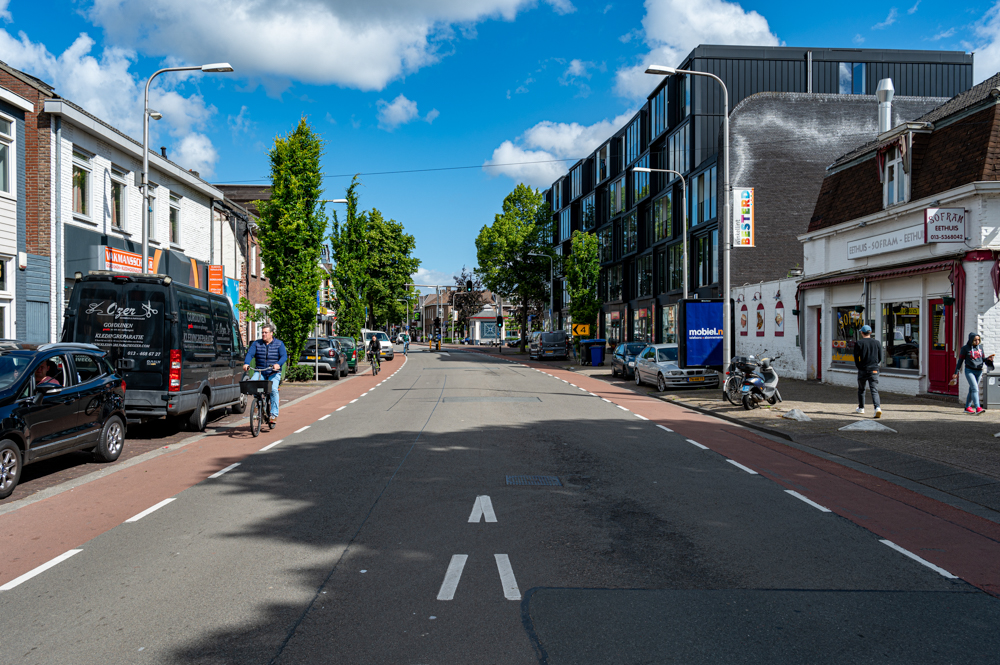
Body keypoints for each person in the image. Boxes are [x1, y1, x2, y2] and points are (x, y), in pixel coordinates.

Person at [243, 323, 287, 428]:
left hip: (273, 372)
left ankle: (273, 414)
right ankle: (257, 405)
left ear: (271, 333)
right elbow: (250, 354)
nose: (263, 334)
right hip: (260, 371)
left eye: (265, 332)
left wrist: (278, 364)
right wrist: (246, 363)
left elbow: (284, 356)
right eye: (262, 332)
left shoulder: (279, 344)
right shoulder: (257, 344)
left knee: (274, 390)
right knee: (253, 384)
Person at [953, 332, 994, 414]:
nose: (977, 341)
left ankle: (967, 407)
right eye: (975, 340)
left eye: (978, 340)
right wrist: (956, 372)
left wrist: (988, 359)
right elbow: (960, 361)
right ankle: (978, 407)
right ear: (971, 340)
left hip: (979, 371)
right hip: (969, 371)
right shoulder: (965, 348)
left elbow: (983, 359)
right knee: (975, 388)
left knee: (972, 389)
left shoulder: (980, 347)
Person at [853, 324, 882, 418]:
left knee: (861, 389)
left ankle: (861, 408)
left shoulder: (859, 343)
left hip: (863, 369)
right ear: (871, 332)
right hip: (874, 369)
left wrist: (859, 366)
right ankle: (877, 408)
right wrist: (875, 365)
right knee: (874, 390)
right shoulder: (877, 343)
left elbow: (856, 358)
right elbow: (880, 357)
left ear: (862, 332)